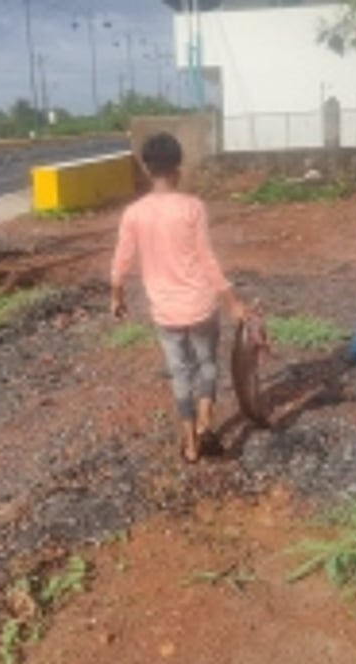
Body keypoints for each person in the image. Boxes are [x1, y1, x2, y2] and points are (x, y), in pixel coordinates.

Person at [110, 132, 247, 464]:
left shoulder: (134, 214)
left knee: (180, 372)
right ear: (178, 168)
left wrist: (117, 296)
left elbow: (121, 262)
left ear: (146, 168)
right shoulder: (192, 207)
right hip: (200, 306)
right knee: (208, 365)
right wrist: (232, 302)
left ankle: (189, 444)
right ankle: (204, 424)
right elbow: (207, 258)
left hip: (166, 311)